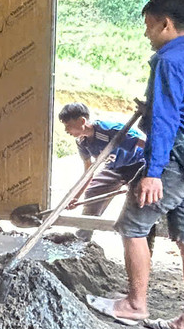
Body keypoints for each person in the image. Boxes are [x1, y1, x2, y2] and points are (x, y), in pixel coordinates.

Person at [87, 0, 184, 329]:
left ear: (165, 24)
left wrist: (153, 172)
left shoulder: (168, 60)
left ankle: (135, 305)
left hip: (176, 162)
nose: (147, 33)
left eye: (149, 26)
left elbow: (165, 120)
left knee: (132, 226)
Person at [58, 102, 146, 240]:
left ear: (82, 121)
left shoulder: (111, 130)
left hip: (139, 165)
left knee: (141, 203)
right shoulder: (82, 141)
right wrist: (75, 196)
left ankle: (143, 242)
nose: (66, 130)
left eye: (68, 125)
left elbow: (147, 145)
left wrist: (154, 172)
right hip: (114, 169)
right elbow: (88, 171)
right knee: (93, 192)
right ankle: (82, 238)